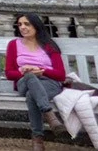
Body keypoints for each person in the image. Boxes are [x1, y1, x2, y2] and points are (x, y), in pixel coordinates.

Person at [6, 12, 65, 151]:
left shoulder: (49, 45)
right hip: (24, 82)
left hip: (48, 83)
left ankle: (37, 139)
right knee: (30, 77)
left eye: (27, 24)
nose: (22, 27)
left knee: (32, 95)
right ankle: (50, 115)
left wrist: (42, 71)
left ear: (36, 26)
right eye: (20, 24)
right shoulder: (14, 44)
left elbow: (61, 75)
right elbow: (9, 73)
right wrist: (23, 71)